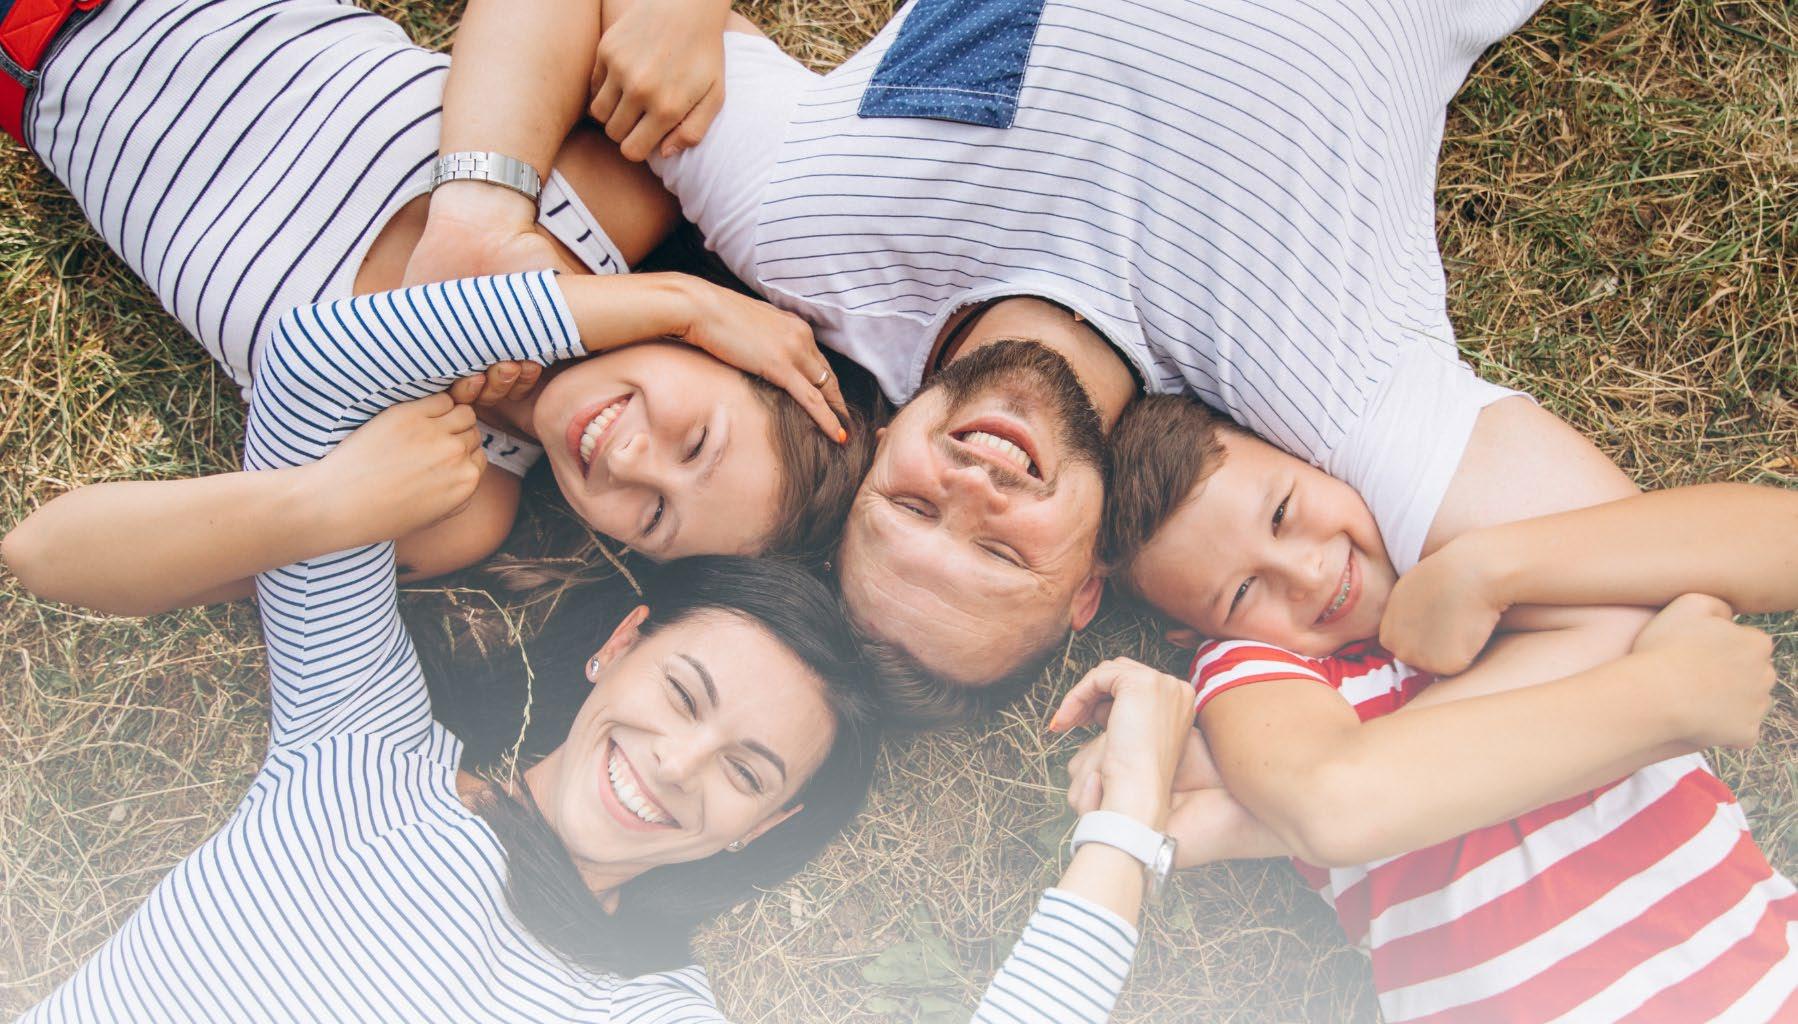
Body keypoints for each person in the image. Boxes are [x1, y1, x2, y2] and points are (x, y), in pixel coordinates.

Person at [404, 0, 1663, 726]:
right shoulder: (1327, 395)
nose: (973, 489)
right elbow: (1636, 588)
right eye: (1003, 553)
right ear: (1087, 582)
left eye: (911, 511)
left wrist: (476, 216)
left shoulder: (815, 235)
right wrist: (1336, 772)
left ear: (870, 448)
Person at [13, 270, 1203, 1022]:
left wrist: (1125, 826)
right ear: (620, 643)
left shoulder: (644, 1007)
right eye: (683, 692)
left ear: (763, 828)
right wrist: (674, 305)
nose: (677, 764)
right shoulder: (362, 750)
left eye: (746, 770)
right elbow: (325, 362)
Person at [5, 0, 872, 617]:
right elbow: (663, 33)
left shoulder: (457, 498)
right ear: (725, 349)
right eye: (697, 441)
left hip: (26, 76)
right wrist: (668, 294)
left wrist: (321, 502)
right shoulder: (619, 195)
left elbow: (47, 557)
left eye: (654, 518)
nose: (632, 461)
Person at [1060, 393, 1798, 1019]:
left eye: (1284, 511)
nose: (1307, 572)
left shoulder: (1501, 543)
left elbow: (1757, 549)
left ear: (1317, 461)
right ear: (1198, 635)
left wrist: (1487, 571)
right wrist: (1663, 687)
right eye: (1243, 593)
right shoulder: (1257, 668)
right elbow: (1332, 796)